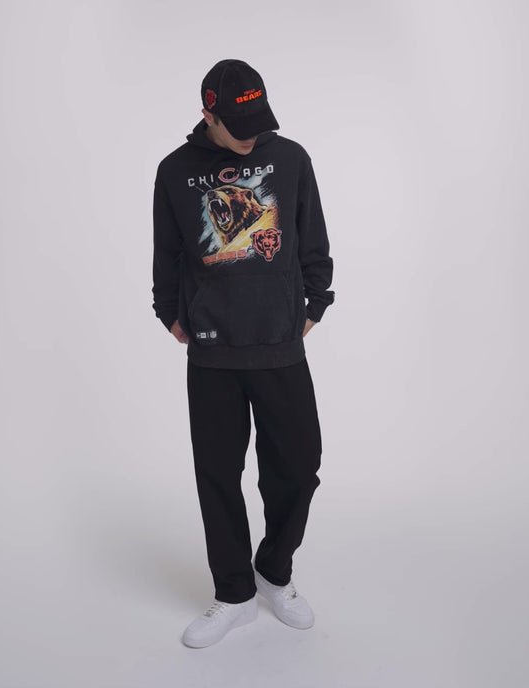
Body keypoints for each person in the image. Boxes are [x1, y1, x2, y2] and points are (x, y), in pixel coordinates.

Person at [152, 59, 335, 648]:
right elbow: (166, 251)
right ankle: (233, 593)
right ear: (209, 114)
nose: (253, 135)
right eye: (239, 125)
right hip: (212, 350)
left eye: (260, 121)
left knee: (299, 467)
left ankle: (272, 573)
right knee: (217, 476)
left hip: (279, 342)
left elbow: (311, 235)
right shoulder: (174, 171)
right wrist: (168, 311)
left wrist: (316, 300)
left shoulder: (291, 159)